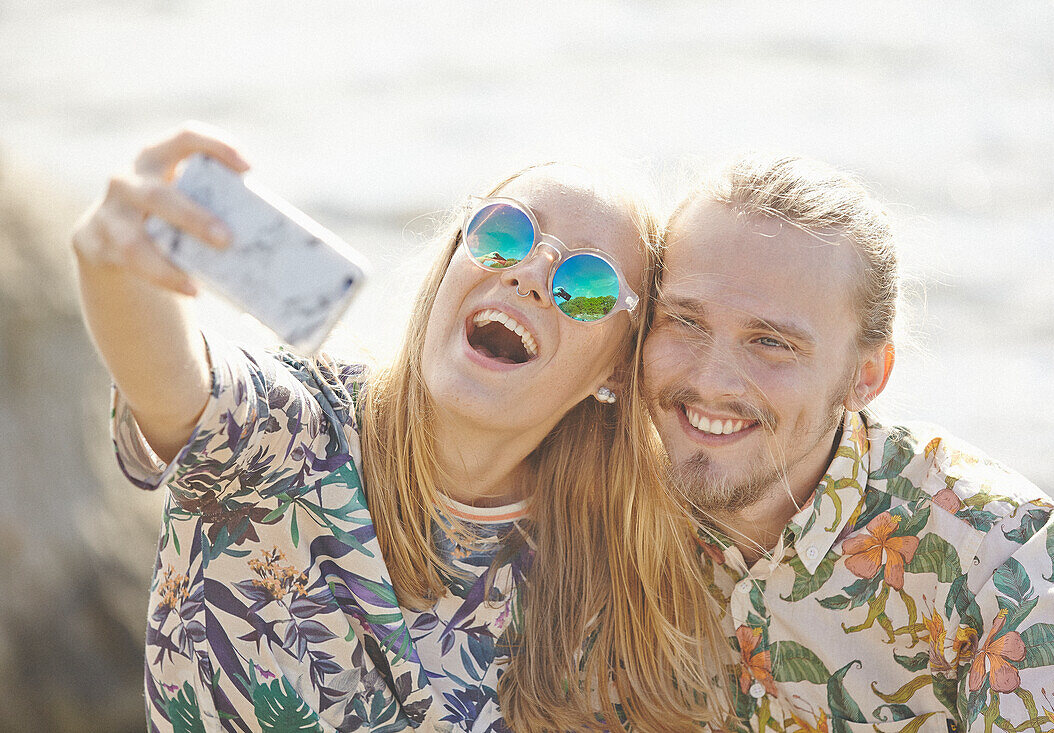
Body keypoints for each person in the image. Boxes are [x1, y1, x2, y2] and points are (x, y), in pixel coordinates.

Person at [71, 126, 728, 732]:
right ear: (451, 261)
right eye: (505, 234)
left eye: (585, 283)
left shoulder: (606, 579)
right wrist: (115, 264)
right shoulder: (290, 435)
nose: (528, 274)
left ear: (614, 367)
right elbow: (172, 382)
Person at [642, 154, 1054, 732]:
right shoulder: (590, 493)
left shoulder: (995, 544)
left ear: (867, 376)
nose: (710, 380)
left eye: (771, 342)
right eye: (685, 321)